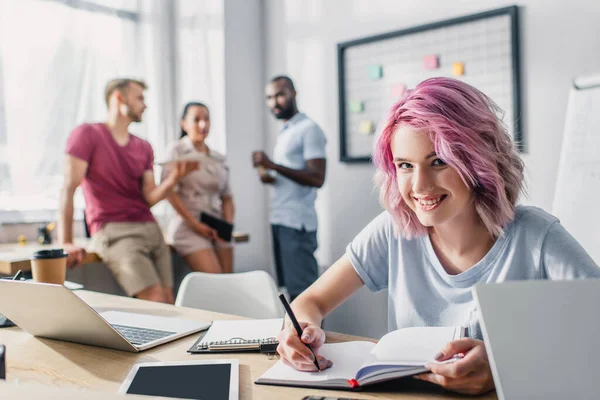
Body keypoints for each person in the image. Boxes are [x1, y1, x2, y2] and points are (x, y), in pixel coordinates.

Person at [275, 77, 600, 395]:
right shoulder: (393, 230)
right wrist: (299, 329)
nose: (419, 186)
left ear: (478, 160)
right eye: (405, 165)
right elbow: (311, 301)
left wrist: (504, 367)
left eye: (439, 161)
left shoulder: (537, 237)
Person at [59, 78, 198, 303]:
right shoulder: (87, 135)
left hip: (151, 230)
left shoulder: (144, 147)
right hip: (114, 231)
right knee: (155, 300)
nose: (145, 104)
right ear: (118, 98)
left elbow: (150, 197)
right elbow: (68, 188)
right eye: (140, 98)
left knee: (170, 303)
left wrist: (175, 178)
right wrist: (65, 240)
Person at [252, 75, 327, 301]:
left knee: (305, 296)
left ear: (293, 93)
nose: (274, 102)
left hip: (297, 224)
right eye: (269, 97)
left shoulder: (309, 129)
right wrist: (268, 175)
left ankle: (311, 337)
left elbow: (317, 177)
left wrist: (272, 165)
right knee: (290, 294)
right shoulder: (286, 131)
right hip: (281, 220)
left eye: (280, 94)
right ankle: (297, 337)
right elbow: (290, 175)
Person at [162, 102, 235, 274]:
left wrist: (227, 227)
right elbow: (170, 194)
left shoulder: (218, 157)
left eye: (207, 119)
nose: (203, 125)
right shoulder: (176, 151)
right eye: (196, 120)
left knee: (231, 283)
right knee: (216, 281)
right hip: (189, 225)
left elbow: (227, 197)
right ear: (184, 124)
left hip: (216, 225)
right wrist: (195, 225)